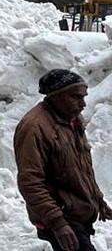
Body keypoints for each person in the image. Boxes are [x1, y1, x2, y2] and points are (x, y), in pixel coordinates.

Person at [14, 69, 112, 251]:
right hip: (62, 218)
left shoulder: (72, 120)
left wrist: (98, 200)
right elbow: (30, 181)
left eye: (84, 97)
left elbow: (80, 168)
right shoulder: (34, 127)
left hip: (76, 214)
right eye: (75, 97)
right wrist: (58, 223)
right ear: (56, 96)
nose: (83, 104)